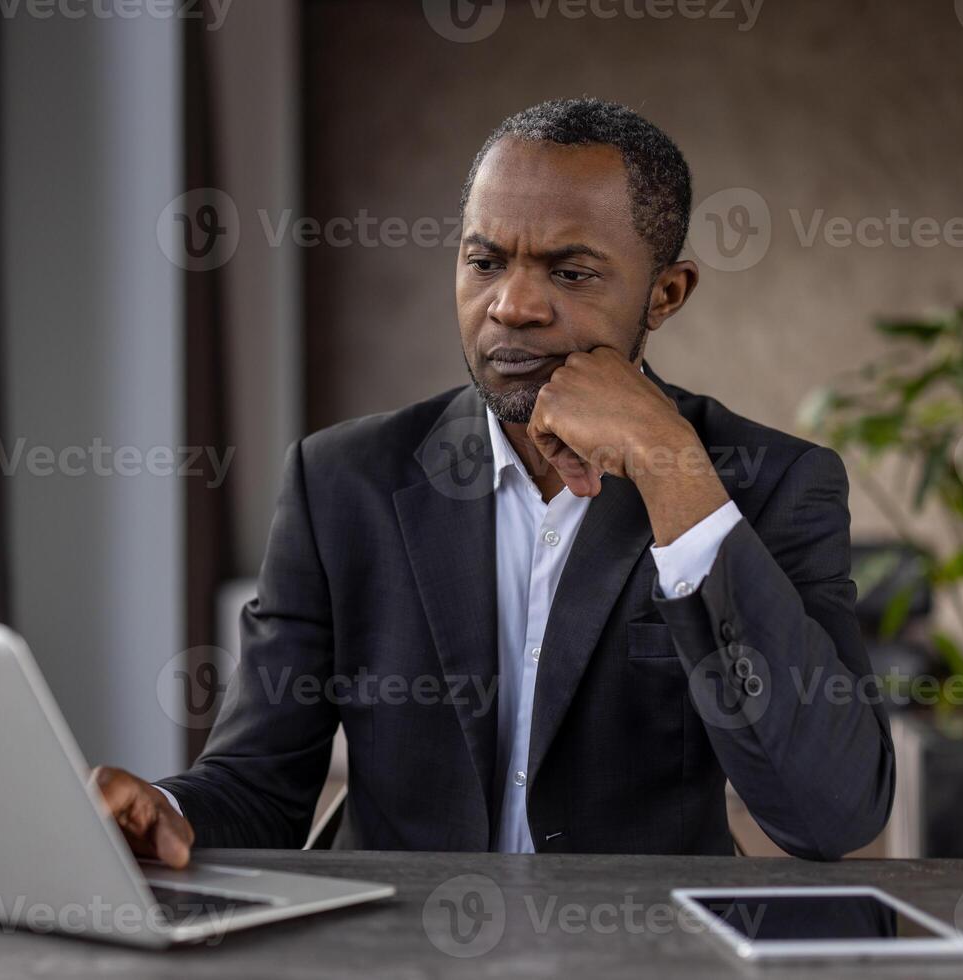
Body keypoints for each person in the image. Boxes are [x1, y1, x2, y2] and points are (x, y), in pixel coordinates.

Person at [92, 98, 894, 868]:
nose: (511, 306)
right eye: (484, 262)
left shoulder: (772, 484)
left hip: (643, 951)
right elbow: (259, 782)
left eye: (571, 273)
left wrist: (668, 465)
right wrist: (171, 811)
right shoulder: (342, 483)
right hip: (395, 951)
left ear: (665, 294)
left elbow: (829, 813)